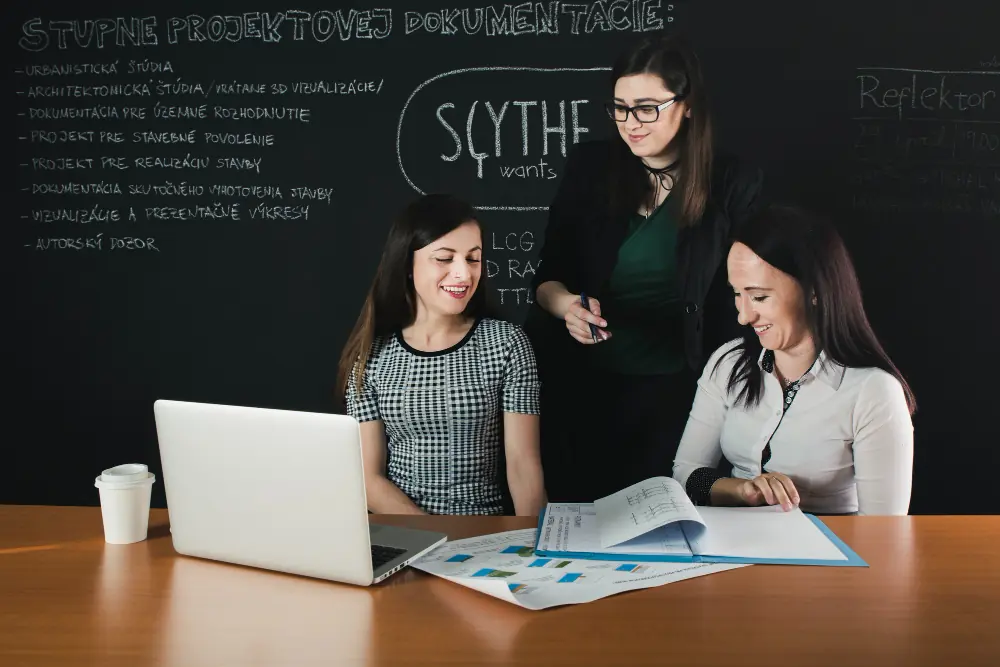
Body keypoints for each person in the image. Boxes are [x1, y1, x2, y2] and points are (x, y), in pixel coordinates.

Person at [525, 34, 764, 502]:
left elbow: (743, 293)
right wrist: (568, 307)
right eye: (620, 108)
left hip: (680, 391)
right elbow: (546, 277)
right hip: (582, 388)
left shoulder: (732, 182)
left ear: (687, 106)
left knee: (664, 515)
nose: (630, 123)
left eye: (647, 108)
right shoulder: (590, 167)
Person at [672, 205, 916, 516]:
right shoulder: (729, 363)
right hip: (734, 538)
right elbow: (685, 475)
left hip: (830, 544)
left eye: (759, 297)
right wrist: (742, 491)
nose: (744, 316)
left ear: (814, 290)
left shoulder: (873, 391)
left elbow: (884, 531)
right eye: (737, 294)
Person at [337, 194, 546, 516]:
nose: (464, 274)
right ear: (407, 265)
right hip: (404, 531)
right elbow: (369, 480)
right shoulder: (370, 357)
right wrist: (434, 536)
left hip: (484, 528)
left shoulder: (506, 344)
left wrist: (533, 539)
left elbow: (523, 466)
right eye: (445, 258)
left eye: (473, 259)